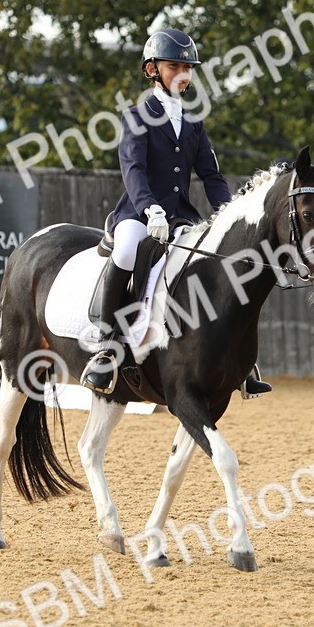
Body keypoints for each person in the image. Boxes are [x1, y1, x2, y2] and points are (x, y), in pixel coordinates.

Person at [79, 28, 272, 398]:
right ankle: (107, 344)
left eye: (188, 67)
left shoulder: (194, 121)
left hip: (182, 216)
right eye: (174, 66)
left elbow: (211, 176)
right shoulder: (136, 116)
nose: (183, 74)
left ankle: (239, 360)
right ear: (153, 69)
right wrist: (149, 209)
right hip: (139, 214)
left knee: (218, 260)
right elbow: (132, 169)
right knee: (126, 249)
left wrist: (230, 216)